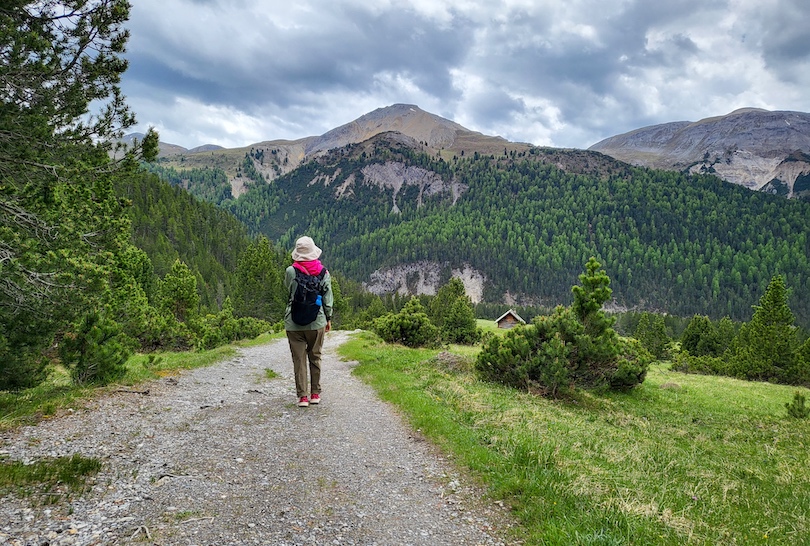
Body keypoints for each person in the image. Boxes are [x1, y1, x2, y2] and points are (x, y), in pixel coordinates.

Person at [284, 236, 333, 408]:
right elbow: (327, 298)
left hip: (293, 323)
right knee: (315, 356)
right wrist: (328, 318)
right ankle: (315, 393)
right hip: (316, 321)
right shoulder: (323, 272)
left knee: (299, 359)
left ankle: (302, 397)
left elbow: (289, 292)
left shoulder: (291, 271)